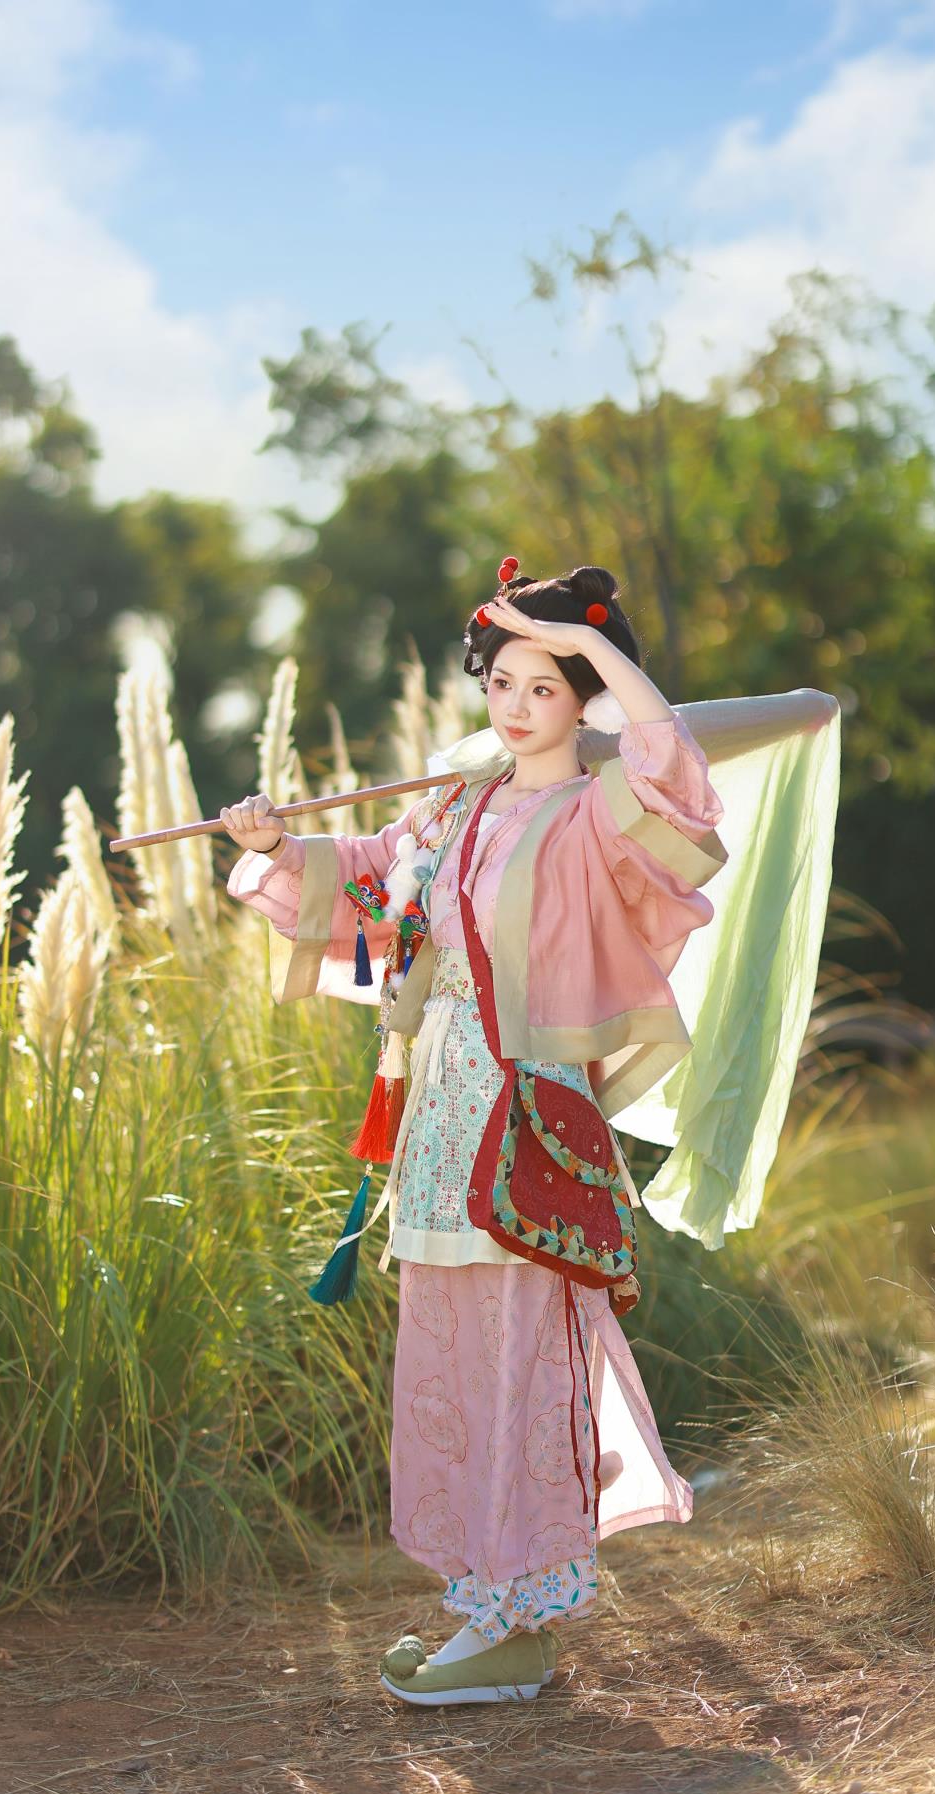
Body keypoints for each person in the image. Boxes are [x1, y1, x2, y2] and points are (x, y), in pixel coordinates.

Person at [221, 561, 732, 1706]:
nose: (514, 705)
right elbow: (359, 884)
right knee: (448, 1360)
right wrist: (266, 841)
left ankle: (523, 1618)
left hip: (528, 1119)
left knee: (517, 1364)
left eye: (545, 687)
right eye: (501, 680)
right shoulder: (454, 808)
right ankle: (484, 1606)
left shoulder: (595, 814)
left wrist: (598, 650)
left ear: (584, 701)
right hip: (441, 1117)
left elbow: (682, 796)